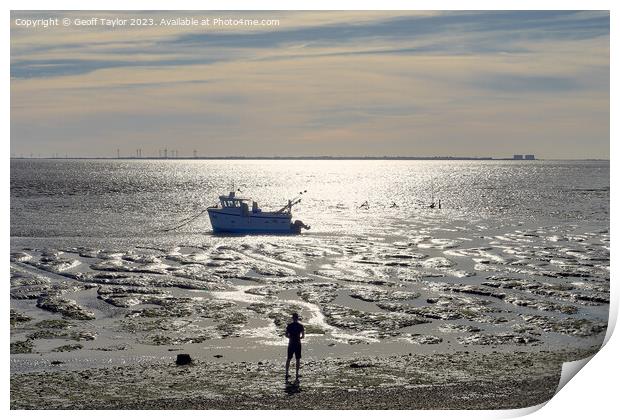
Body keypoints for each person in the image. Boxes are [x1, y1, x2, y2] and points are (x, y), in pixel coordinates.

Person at [285, 312, 305, 381]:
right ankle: (296, 374)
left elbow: (286, 335)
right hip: (298, 343)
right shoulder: (300, 326)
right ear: (297, 318)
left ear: (292, 318)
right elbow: (303, 336)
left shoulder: (289, 326)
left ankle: (287, 373)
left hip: (291, 343)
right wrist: (299, 338)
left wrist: (290, 337)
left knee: (289, 359)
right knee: (298, 359)